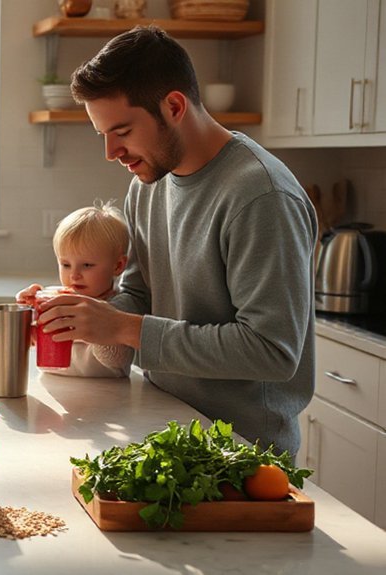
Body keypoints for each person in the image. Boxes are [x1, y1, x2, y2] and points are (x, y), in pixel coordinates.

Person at [38, 26, 318, 456]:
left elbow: (272, 351)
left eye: (122, 131)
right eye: (103, 134)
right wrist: (70, 313)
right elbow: (138, 296)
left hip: (241, 453)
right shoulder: (147, 185)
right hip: (165, 425)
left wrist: (123, 327)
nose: (111, 152)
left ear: (173, 107)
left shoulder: (262, 196)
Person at [0, 200, 135, 378]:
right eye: (66, 264)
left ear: (118, 266)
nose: (74, 275)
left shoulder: (120, 307)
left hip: (107, 393)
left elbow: (117, 359)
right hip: (51, 388)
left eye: (87, 265)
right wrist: (18, 322)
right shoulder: (55, 302)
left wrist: (96, 326)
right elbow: (35, 343)